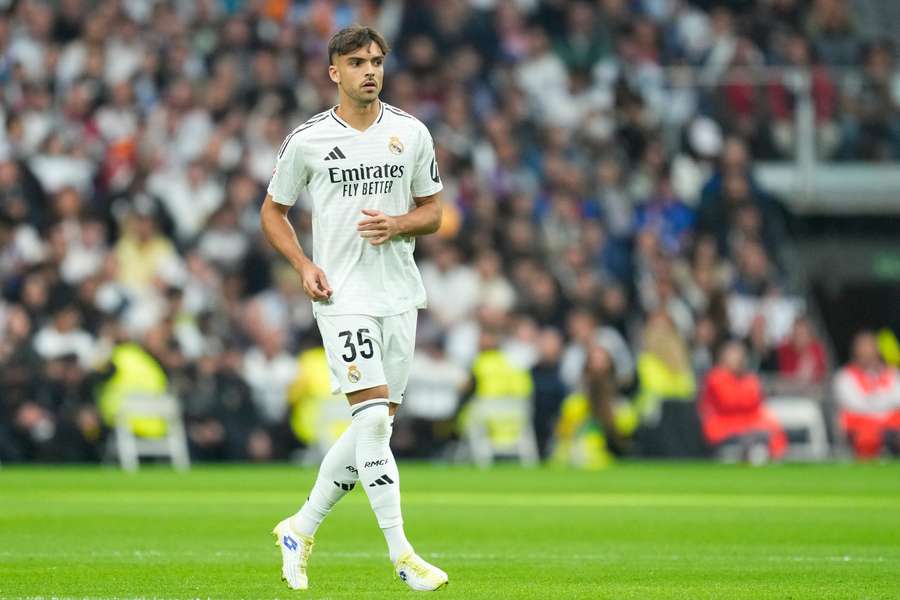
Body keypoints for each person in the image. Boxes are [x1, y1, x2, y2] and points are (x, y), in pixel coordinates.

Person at [259, 27, 448, 591]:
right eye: (357, 62)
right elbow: (273, 212)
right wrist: (302, 265)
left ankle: (301, 526)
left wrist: (398, 224)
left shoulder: (410, 133)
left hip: (399, 294)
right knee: (369, 422)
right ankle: (402, 554)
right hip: (341, 298)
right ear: (333, 72)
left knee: (377, 429)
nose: (370, 70)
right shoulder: (309, 140)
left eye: (377, 61)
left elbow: (434, 211)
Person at [698, 339, 787, 463]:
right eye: (733, 354)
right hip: (723, 423)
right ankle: (752, 453)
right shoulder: (715, 377)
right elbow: (728, 402)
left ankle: (769, 457)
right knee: (752, 435)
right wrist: (745, 398)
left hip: (749, 420)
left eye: (740, 355)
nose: (737, 359)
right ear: (723, 357)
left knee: (772, 427)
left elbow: (755, 400)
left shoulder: (749, 378)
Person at [833, 331, 900, 459]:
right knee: (867, 433)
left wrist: (874, 399)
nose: (866, 351)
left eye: (870, 346)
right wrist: (882, 399)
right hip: (861, 425)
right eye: (863, 347)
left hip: (891, 424)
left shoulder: (892, 374)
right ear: (855, 350)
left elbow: (897, 398)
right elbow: (855, 404)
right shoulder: (845, 376)